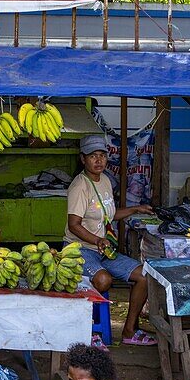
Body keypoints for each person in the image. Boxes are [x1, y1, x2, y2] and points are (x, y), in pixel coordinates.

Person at [66, 133, 157, 346]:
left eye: (102, 155)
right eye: (92, 156)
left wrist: (135, 208)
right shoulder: (80, 186)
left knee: (144, 276)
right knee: (103, 280)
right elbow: (74, 225)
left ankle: (129, 331)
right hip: (80, 249)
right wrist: (97, 240)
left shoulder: (105, 180)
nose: (98, 160)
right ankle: (90, 332)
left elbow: (108, 214)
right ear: (83, 159)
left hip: (103, 250)